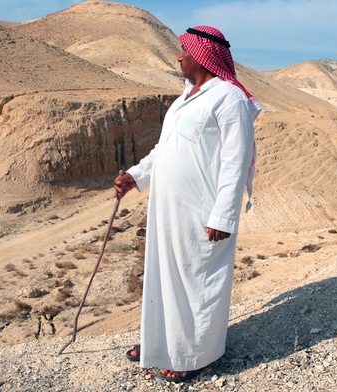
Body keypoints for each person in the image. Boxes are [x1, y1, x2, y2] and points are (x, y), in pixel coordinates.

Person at [114, 25, 261, 382]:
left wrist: (223, 215)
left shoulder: (229, 99)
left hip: (203, 212)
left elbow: (235, 161)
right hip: (167, 209)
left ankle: (195, 355)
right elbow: (165, 151)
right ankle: (159, 344)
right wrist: (136, 175)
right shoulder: (184, 98)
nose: (179, 57)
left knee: (198, 281)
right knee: (163, 278)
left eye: (184, 51)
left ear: (203, 56)